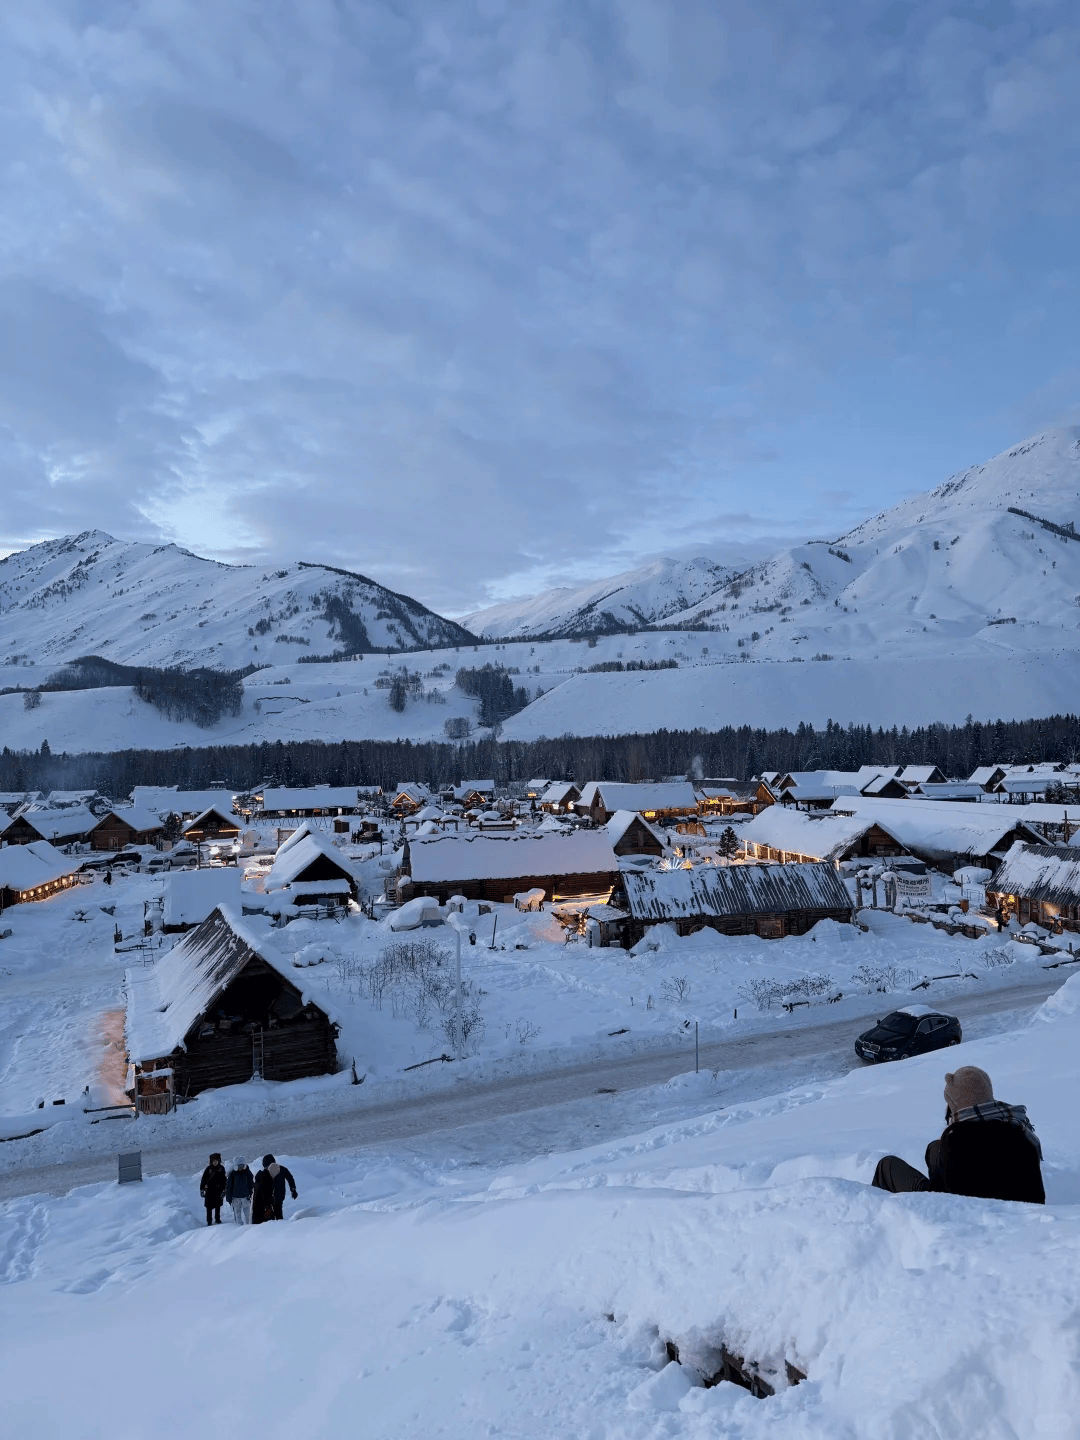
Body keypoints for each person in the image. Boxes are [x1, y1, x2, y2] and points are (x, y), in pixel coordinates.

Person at [872, 1066, 1045, 1203]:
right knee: (934, 1148)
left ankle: (884, 1222)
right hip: (1023, 1213)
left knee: (887, 1165)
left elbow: (948, 1198)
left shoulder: (957, 1138)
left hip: (969, 1214)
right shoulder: (1019, 1128)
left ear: (956, 1103)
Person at [252, 1153, 298, 1223]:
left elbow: (289, 1178)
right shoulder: (264, 1176)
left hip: (278, 1194)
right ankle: (276, 1224)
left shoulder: (281, 1169)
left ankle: (279, 1225)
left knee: (278, 1210)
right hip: (270, 1196)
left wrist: (293, 1189)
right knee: (272, 1213)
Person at [200, 1153, 228, 1225]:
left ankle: (217, 1219)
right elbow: (203, 1179)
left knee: (217, 1206)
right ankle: (209, 1221)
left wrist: (224, 1190)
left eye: (216, 1161)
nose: (215, 1162)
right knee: (209, 1207)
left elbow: (224, 1180)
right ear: (211, 1161)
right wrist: (202, 1189)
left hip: (218, 1190)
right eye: (214, 1161)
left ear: (219, 1161)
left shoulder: (221, 1168)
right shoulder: (208, 1169)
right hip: (209, 1191)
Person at [226, 1157, 254, 1225]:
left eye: (242, 1166)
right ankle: (238, 1226)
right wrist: (229, 1198)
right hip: (236, 1198)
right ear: (236, 1166)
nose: (240, 1168)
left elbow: (250, 1184)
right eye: (239, 1166)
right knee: (237, 1213)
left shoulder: (248, 1173)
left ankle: (248, 1225)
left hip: (245, 1197)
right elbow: (229, 1187)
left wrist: (250, 1194)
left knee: (247, 1213)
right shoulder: (232, 1174)